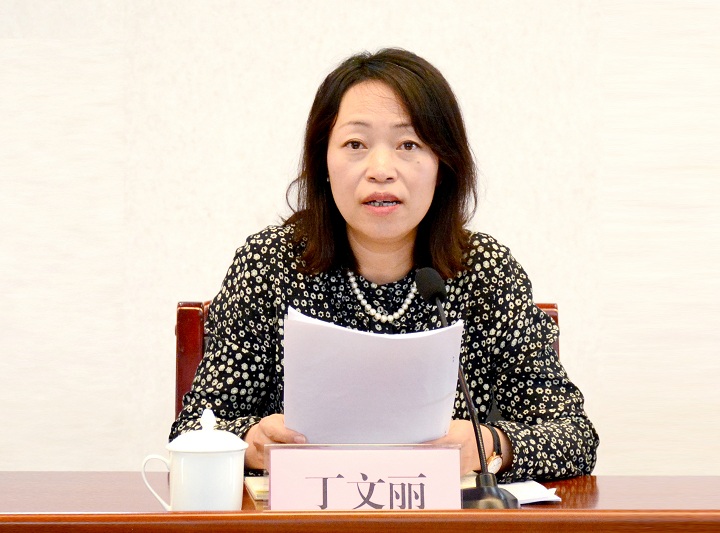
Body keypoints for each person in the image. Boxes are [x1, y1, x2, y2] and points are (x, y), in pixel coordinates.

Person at [170, 48, 598, 483]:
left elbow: (575, 437)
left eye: (408, 144)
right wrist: (251, 441)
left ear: (443, 165)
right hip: (307, 514)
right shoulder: (271, 265)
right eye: (355, 144)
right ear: (323, 161)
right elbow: (192, 430)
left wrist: (488, 445)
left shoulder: (485, 273)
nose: (381, 170)